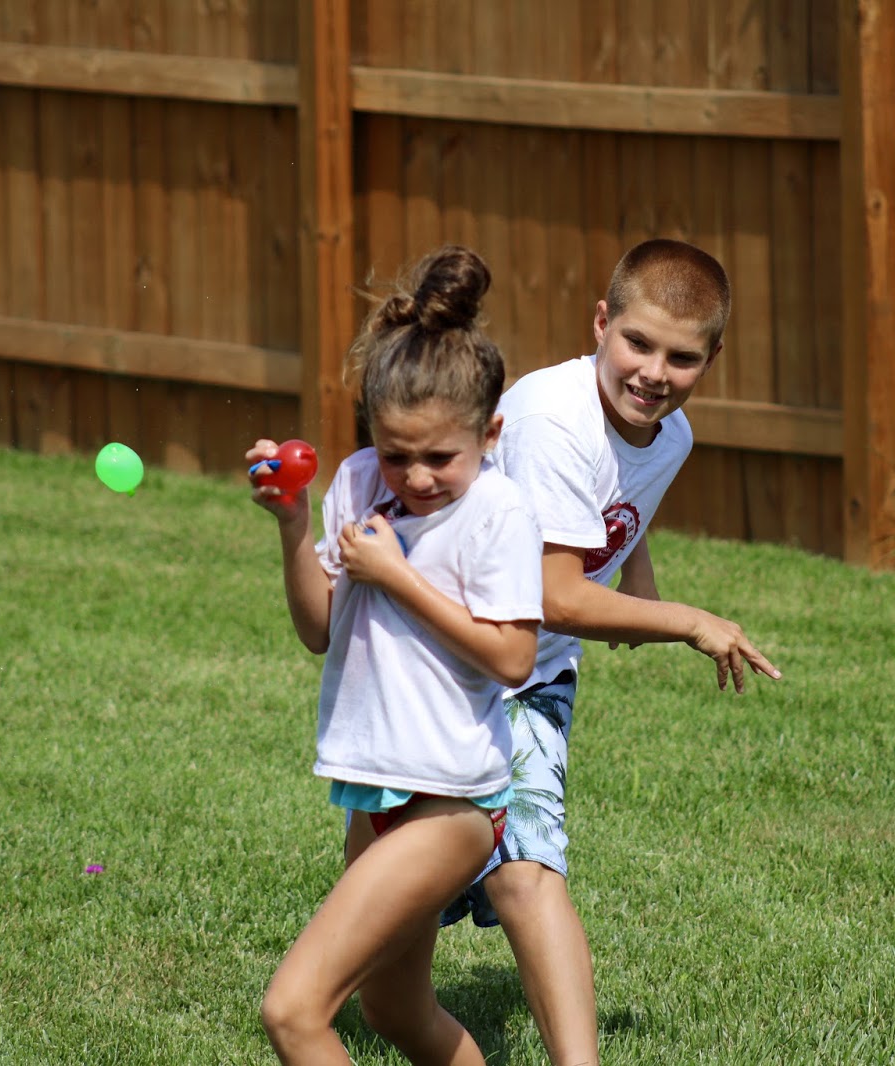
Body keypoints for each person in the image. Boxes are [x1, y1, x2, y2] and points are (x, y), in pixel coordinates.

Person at [441, 238, 782, 1065]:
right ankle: (334, 1003)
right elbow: (555, 595)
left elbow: (622, 520)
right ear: (601, 323)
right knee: (411, 882)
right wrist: (688, 621)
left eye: (683, 356)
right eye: (638, 343)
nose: (655, 372)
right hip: (452, 667)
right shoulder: (556, 421)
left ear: (712, 357)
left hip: (533, 679)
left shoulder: (670, 436)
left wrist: (643, 596)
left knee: (525, 866)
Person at [248, 245, 544, 1066]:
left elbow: (514, 659)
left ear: (490, 432)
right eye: (394, 452)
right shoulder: (353, 483)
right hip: (373, 788)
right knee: (394, 1008)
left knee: (294, 1011)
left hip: (450, 803)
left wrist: (397, 576)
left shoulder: (498, 514)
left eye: (439, 457)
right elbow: (319, 630)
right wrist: (295, 525)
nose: (414, 476)